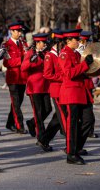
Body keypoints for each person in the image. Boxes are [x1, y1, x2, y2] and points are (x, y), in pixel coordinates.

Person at [58, 29, 95, 165]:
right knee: (72, 124)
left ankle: (77, 147)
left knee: (88, 120)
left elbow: (79, 71)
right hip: (71, 93)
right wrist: (85, 65)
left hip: (80, 91)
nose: (78, 42)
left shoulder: (75, 53)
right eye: (76, 40)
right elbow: (68, 74)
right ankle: (71, 154)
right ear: (68, 41)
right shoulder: (64, 54)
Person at [38, 30, 67, 151]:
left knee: (58, 119)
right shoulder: (50, 55)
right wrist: (62, 77)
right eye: (63, 43)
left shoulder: (62, 54)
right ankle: (71, 145)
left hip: (64, 89)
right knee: (64, 118)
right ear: (57, 43)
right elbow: (47, 74)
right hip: (56, 90)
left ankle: (44, 139)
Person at [21, 33, 52, 144]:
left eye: (45, 42)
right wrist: (31, 61)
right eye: (43, 43)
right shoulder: (30, 53)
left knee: (48, 109)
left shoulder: (46, 53)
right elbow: (23, 68)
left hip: (45, 86)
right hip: (34, 87)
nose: (44, 45)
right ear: (37, 43)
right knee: (38, 113)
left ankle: (32, 123)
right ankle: (41, 138)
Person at [3, 22, 28, 134]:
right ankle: (20, 126)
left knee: (18, 102)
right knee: (16, 102)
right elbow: (6, 62)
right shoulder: (6, 45)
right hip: (13, 78)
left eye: (20, 31)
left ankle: (9, 122)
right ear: (11, 32)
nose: (19, 33)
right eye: (17, 31)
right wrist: (21, 60)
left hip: (22, 77)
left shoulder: (23, 43)